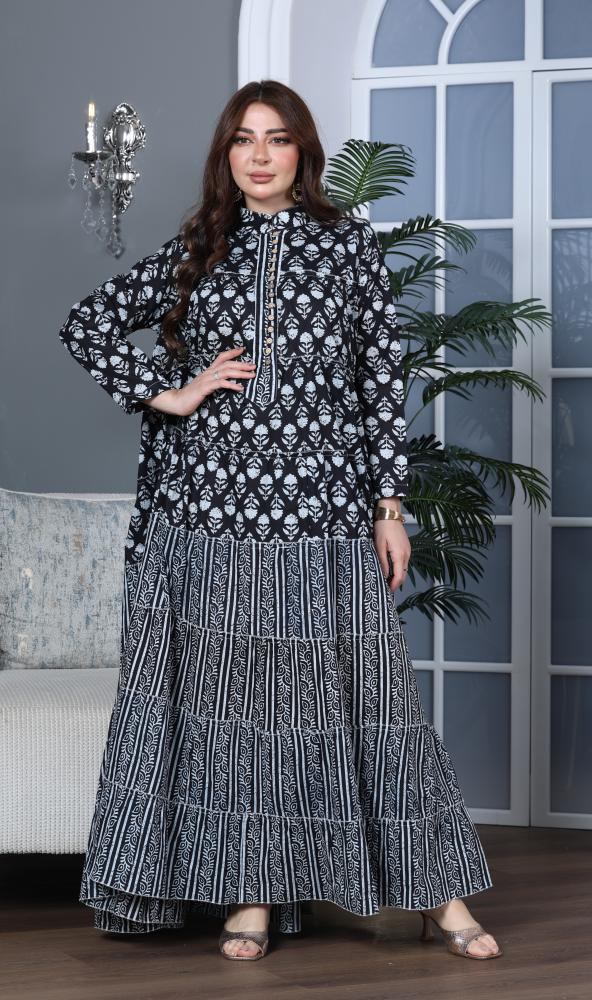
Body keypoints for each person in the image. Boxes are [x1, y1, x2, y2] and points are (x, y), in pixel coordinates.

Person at [58, 79, 502, 962]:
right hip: (211, 513)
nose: (259, 155)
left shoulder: (348, 248)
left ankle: (436, 893)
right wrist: (172, 391)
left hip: (320, 511)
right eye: (243, 139)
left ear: (304, 152)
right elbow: (88, 324)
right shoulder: (201, 246)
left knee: (367, 696)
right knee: (234, 704)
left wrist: (389, 506)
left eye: (277, 138)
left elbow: (378, 384)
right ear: (226, 155)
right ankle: (251, 895)